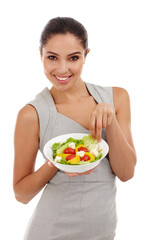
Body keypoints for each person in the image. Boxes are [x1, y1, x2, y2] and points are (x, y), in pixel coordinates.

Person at [13, 17, 137, 240]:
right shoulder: (31, 114)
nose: (62, 69)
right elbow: (21, 195)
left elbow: (126, 173)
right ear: (40, 54)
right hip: (50, 230)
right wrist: (56, 162)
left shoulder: (117, 98)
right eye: (52, 57)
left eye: (73, 58)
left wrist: (110, 120)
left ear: (86, 55)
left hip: (103, 231)